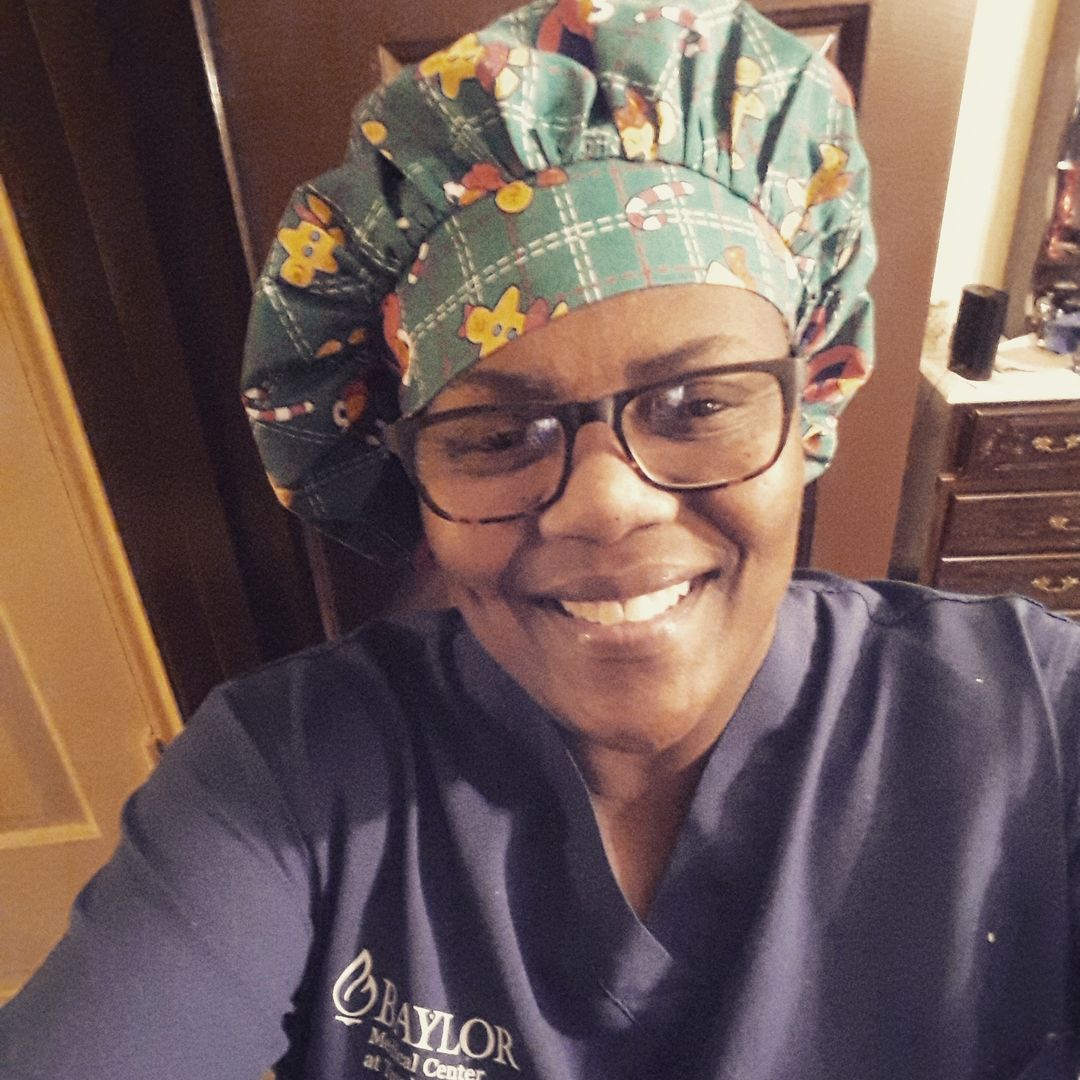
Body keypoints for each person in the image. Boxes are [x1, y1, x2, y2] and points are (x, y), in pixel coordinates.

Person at [2, 1, 1079, 1077]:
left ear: (809, 411)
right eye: (497, 435)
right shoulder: (284, 772)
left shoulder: (1034, 723)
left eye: (700, 404)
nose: (605, 504)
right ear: (414, 483)